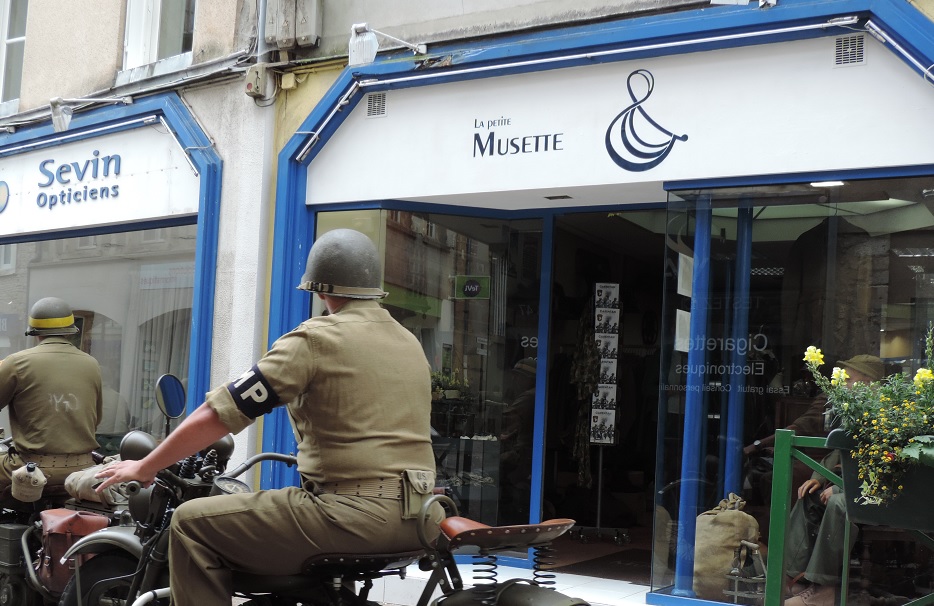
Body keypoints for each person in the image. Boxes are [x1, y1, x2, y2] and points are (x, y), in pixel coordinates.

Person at [95, 229, 444, 606]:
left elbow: (221, 412)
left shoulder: (316, 339)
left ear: (321, 291)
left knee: (191, 525)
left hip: (351, 517)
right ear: (374, 289)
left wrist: (146, 466)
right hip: (423, 518)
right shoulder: (409, 343)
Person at [784, 354, 884, 606]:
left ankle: (824, 590)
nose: (843, 383)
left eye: (849, 379)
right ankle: (792, 579)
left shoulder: (885, 413)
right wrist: (820, 476)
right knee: (808, 496)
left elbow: (881, 463)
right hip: (856, 483)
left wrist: (841, 487)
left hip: (879, 489)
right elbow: (840, 451)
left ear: (869, 382)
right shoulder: (854, 408)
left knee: (840, 505)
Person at [0, 297, 102, 505]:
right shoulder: (91, 364)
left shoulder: (17, 363)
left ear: (34, 332)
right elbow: (96, 418)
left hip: (31, 468)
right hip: (83, 469)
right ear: (70, 330)